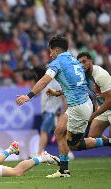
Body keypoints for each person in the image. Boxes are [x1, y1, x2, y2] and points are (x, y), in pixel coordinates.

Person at [16, 35, 111, 178]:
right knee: (59, 131)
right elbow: (76, 85)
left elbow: (44, 81)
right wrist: (58, 92)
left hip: (78, 106)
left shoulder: (58, 62)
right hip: (81, 103)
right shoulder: (73, 60)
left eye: (51, 51)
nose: (50, 54)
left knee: (74, 144)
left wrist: (28, 96)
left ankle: (108, 141)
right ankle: (64, 171)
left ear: (57, 49)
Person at [76, 52, 111, 138]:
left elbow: (109, 100)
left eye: (84, 62)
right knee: (93, 136)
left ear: (90, 61)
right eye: (79, 63)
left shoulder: (100, 75)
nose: (82, 65)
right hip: (105, 108)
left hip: (109, 103)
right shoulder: (84, 75)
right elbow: (95, 95)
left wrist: (93, 116)